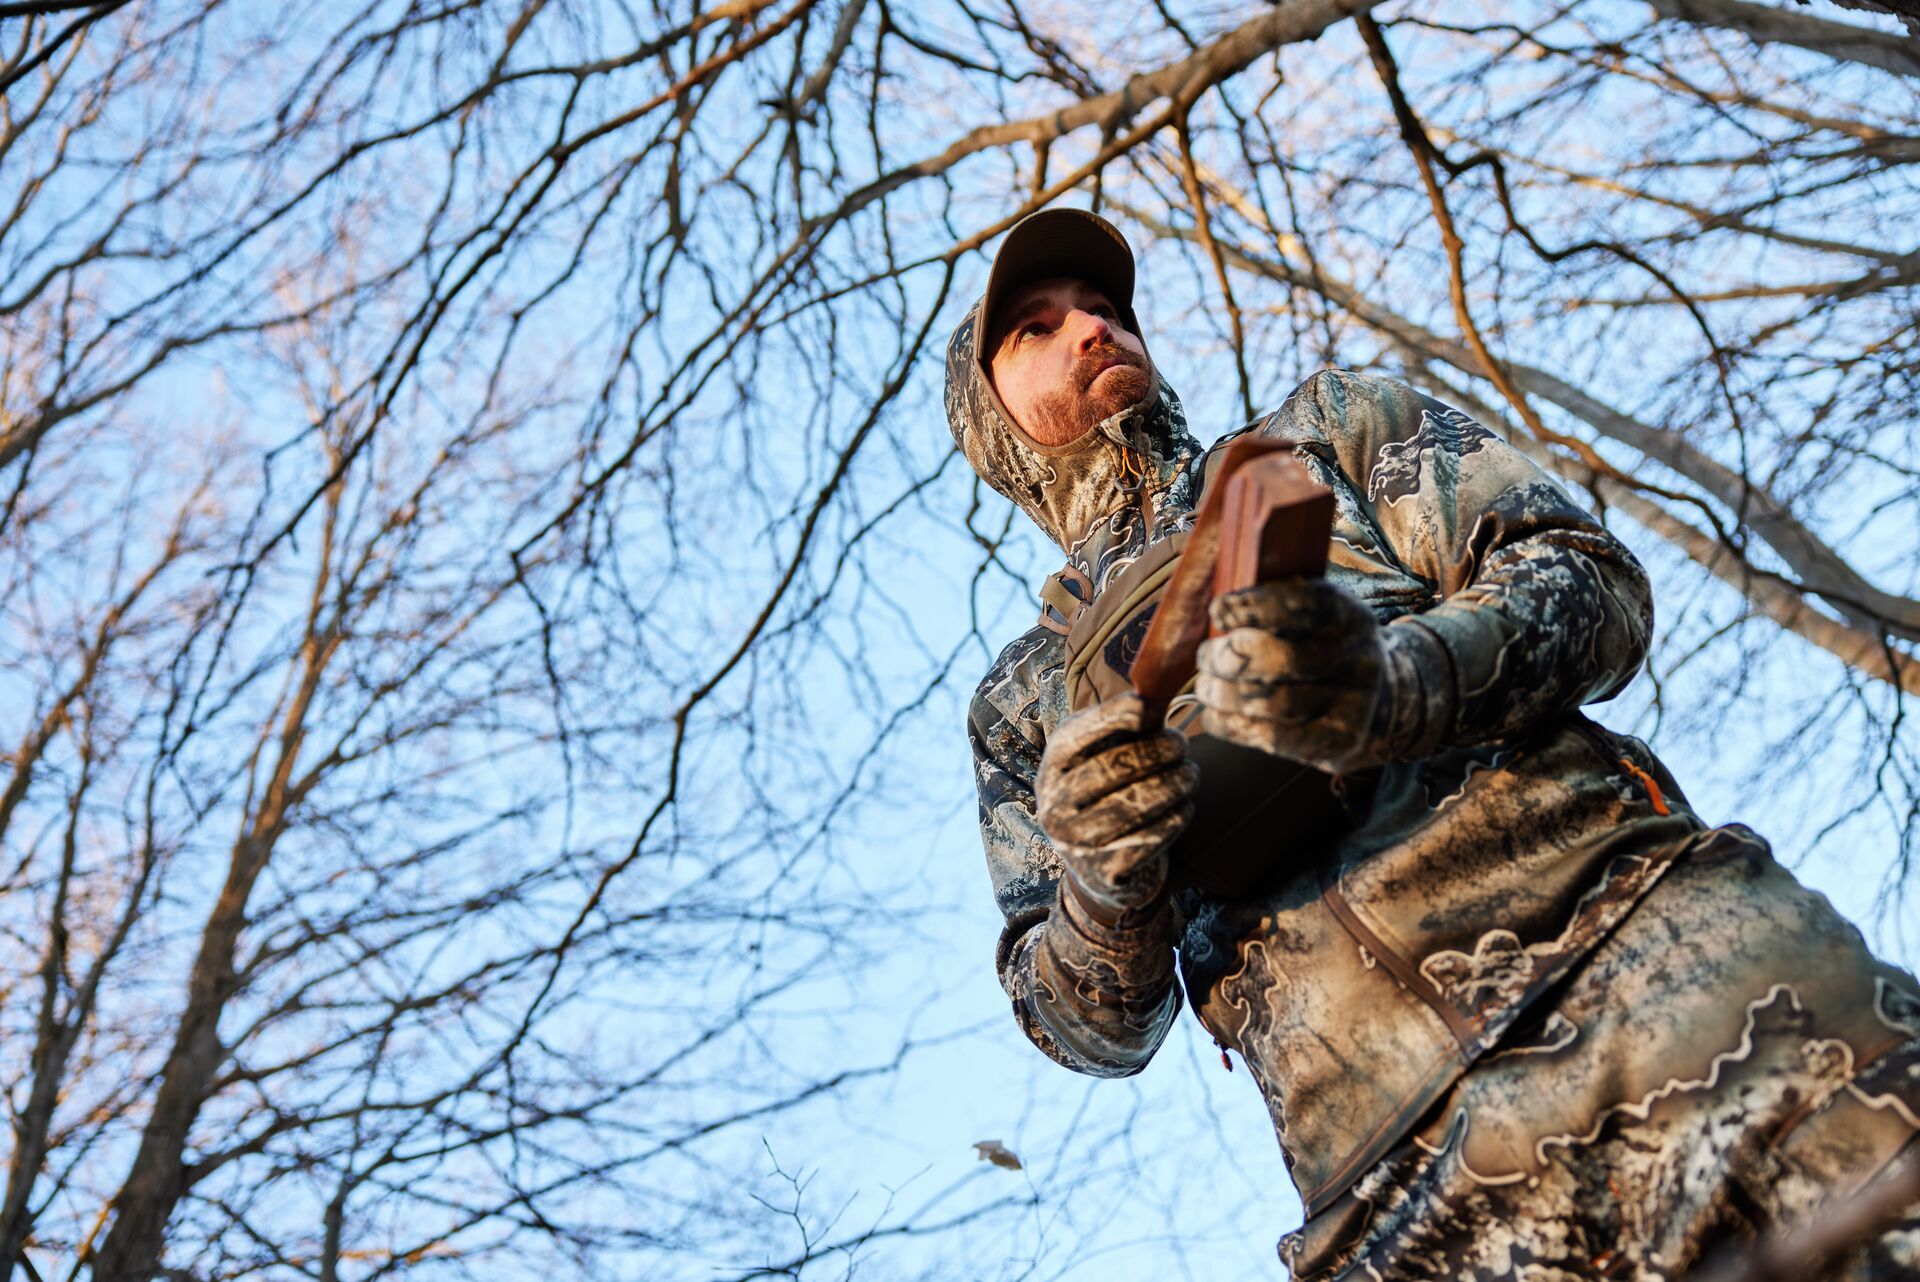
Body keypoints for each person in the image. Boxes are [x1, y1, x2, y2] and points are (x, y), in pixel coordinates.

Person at [950, 206, 1920, 1280]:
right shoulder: (1020, 707)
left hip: (1682, 978)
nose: (1094, 328)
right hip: (1398, 1195)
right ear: (988, 424)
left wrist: (1396, 682)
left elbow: (1589, 584)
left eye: (1104, 308)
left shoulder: (1322, 433)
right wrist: (1104, 878)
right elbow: (1087, 1028)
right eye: (1037, 328)